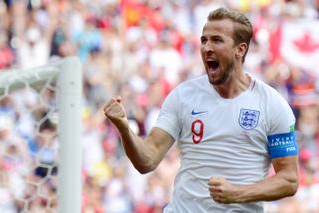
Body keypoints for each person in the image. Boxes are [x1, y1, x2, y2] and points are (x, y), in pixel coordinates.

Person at [103, 7, 299, 213]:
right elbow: (147, 160)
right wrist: (124, 128)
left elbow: (289, 180)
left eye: (217, 40)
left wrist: (238, 193)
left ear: (240, 49)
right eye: (204, 40)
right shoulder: (183, 97)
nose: (207, 47)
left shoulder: (272, 105)